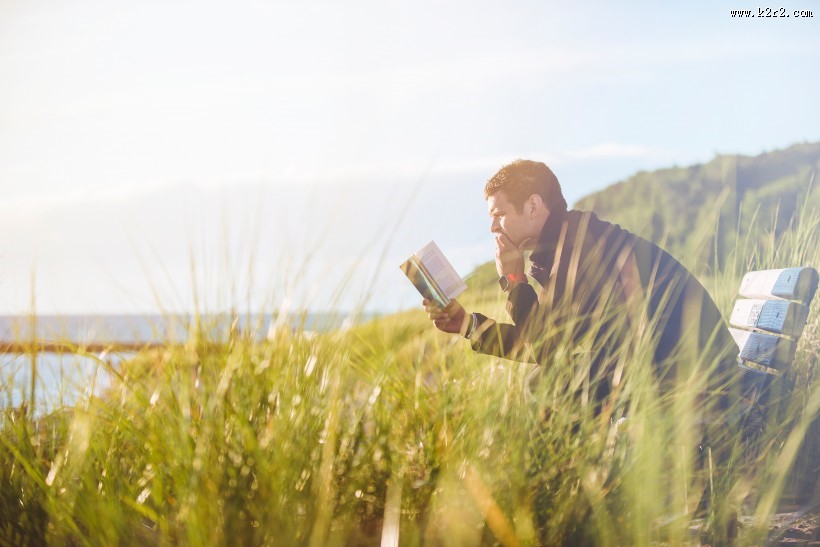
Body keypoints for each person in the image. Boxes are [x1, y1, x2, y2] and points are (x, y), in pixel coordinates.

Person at [424, 158, 740, 431]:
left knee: (545, 383)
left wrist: (515, 279)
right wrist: (467, 324)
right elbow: (546, 342)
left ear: (533, 206)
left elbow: (546, 348)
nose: (493, 226)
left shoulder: (580, 248)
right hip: (669, 368)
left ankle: (582, 491)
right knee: (548, 378)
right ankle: (583, 486)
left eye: (499, 214)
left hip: (696, 380)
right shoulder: (566, 244)